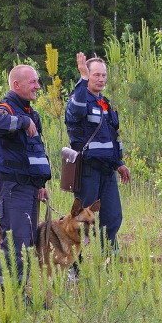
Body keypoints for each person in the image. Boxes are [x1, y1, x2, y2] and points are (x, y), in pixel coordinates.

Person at [0, 64, 51, 283]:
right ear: (16, 84)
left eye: (37, 81)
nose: (37, 86)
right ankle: (5, 296)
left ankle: (18, 294)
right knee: (15, 243)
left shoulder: (31, 113)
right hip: (11, 187)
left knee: (26, 244)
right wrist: (22, 121)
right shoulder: (5, 108)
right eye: (33, 82)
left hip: (29, 188)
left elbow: (35, 152)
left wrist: (40, 183)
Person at [65, 53, 130, 249]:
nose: (101, 79)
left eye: (103, 75)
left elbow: (111, 137)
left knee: (113, 217)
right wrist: (83, 79)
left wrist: (119, 163)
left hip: (107, 171)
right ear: (87, 75)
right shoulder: (78, 99)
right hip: (87, 171)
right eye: (96, 75)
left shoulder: (105, 104)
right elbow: (75, 111)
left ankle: (110, 259)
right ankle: (75, 266)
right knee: (81, 221)